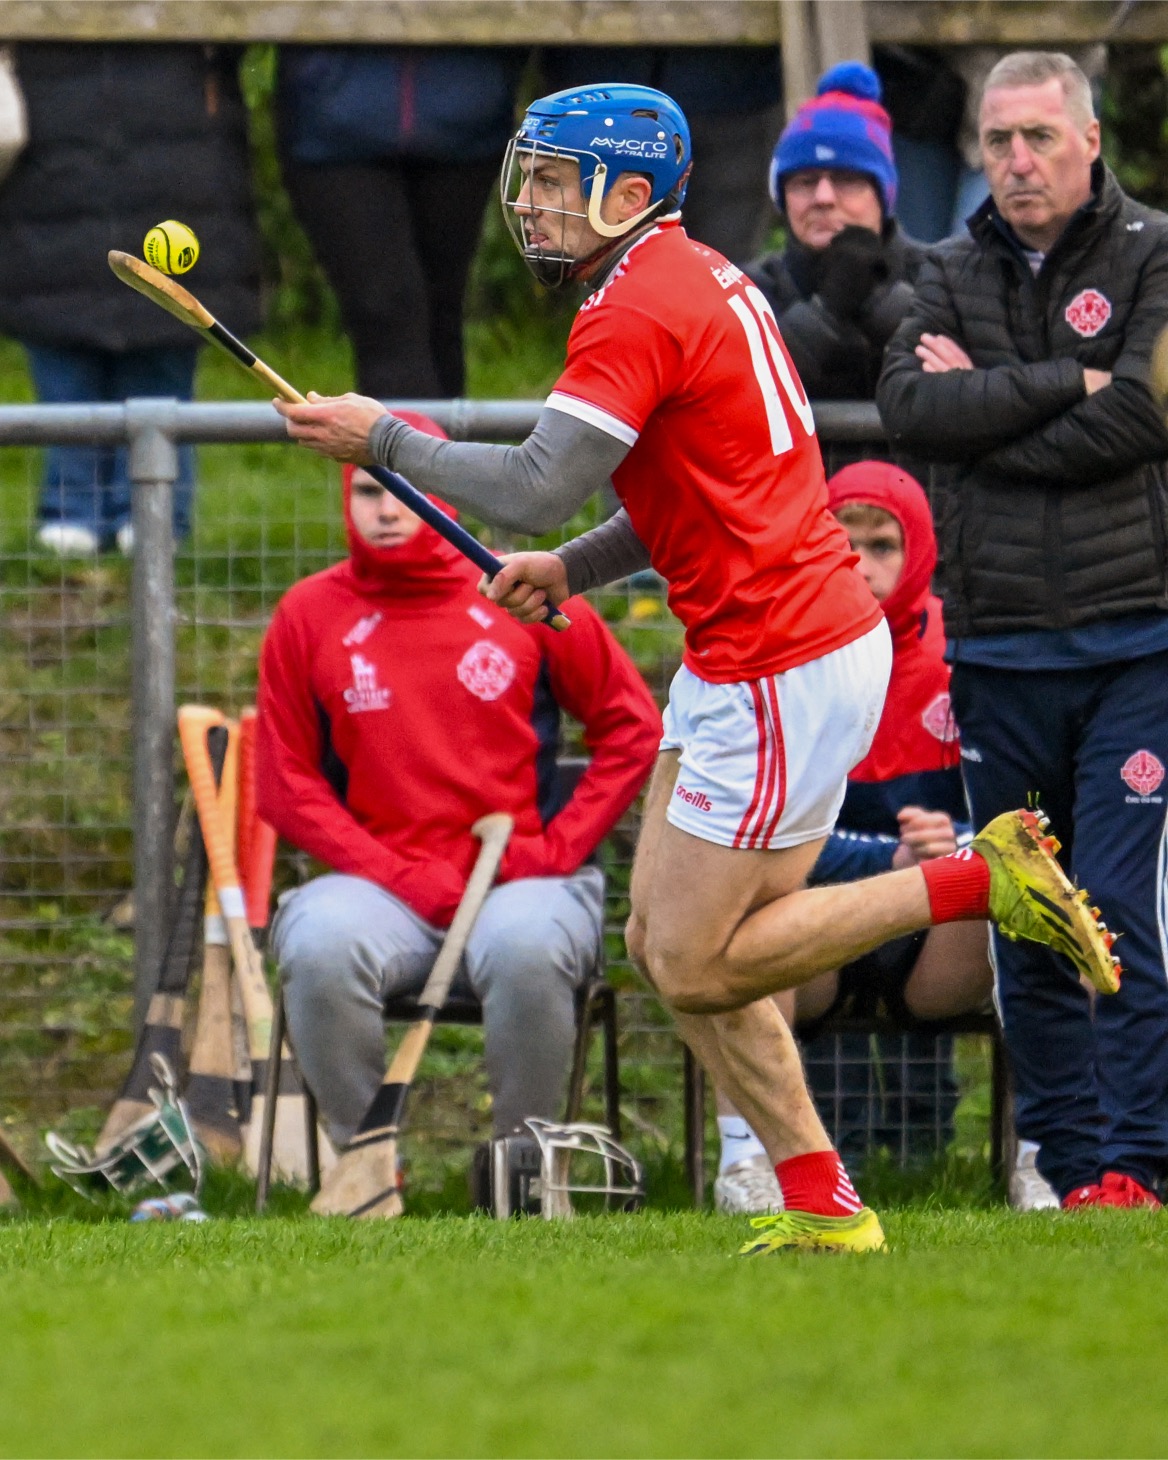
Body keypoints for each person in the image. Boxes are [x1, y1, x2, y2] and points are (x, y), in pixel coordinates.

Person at [274, 82, 1118, 1254]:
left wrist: (382, 437)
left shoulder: (633, 308)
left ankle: (979, 880)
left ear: (628, 195)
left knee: (691, 952)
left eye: (558, 183)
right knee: (666, 948)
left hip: (779, 656)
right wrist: (573, 569)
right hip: (771, 653)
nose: (534, 203)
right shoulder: (698, 274)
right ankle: (821, 1197)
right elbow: (689, 481)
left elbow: (529, 481)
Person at [877, 51, 1168, 1210]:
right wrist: (1066, 382)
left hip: (1133, 641)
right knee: (1024, 908)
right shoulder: (941, 267)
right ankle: (1061, 1161)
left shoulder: (1154, 252)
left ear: (1089, 140)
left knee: (1113, 898)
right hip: (997, 648)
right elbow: (908, 409)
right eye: (997, 140)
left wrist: (990, 396)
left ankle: (1138, 1162)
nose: (1016, 160)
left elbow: (1146, 413)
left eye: (1039, 136)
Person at [256, 412, 659, 1178]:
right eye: (370, 491)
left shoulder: (518, 591)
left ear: (443, 495)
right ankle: (365, 1167)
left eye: (405, 491)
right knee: (316, 943)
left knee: (527, 947)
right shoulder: (308, 614)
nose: (387, 509)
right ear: (348, 499)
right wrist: (394, 872)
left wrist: (556, 850)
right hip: (386, 892)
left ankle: (523, 1168)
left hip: (520, 881)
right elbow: (285, 785)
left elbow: (634, 728)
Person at [713, 460, 992, 1213]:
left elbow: (1012, 820)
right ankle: (747, 1166)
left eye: (884, 546)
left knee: (1029, 904)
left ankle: (1054, 1159)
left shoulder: (965, 653)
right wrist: (887, 860)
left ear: (921, 551)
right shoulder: (780, 649)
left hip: (936, 927)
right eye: (846, 544)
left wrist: (954, 836)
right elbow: (754, 833)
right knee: (721, 932)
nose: (864, 567)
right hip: (812, 910)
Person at [0, 43, 261, 555]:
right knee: (63, 366)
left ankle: (152, 515)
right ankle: (72, 510)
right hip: (51, 206)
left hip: (172, 201)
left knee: (161, 366)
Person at [276, 46, 527, 399]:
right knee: (386, 315)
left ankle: (434, 450)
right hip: (333, 117)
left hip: (467, 109)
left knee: (441, 316)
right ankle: (407, 450)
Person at [746, 62, 924, 428]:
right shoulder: (748, 292)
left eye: (846, 180)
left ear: (883, 193)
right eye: (804, 182)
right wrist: (826, 311)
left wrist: (883, 304)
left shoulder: (939, 275)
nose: (823, 197)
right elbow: (744, 400)